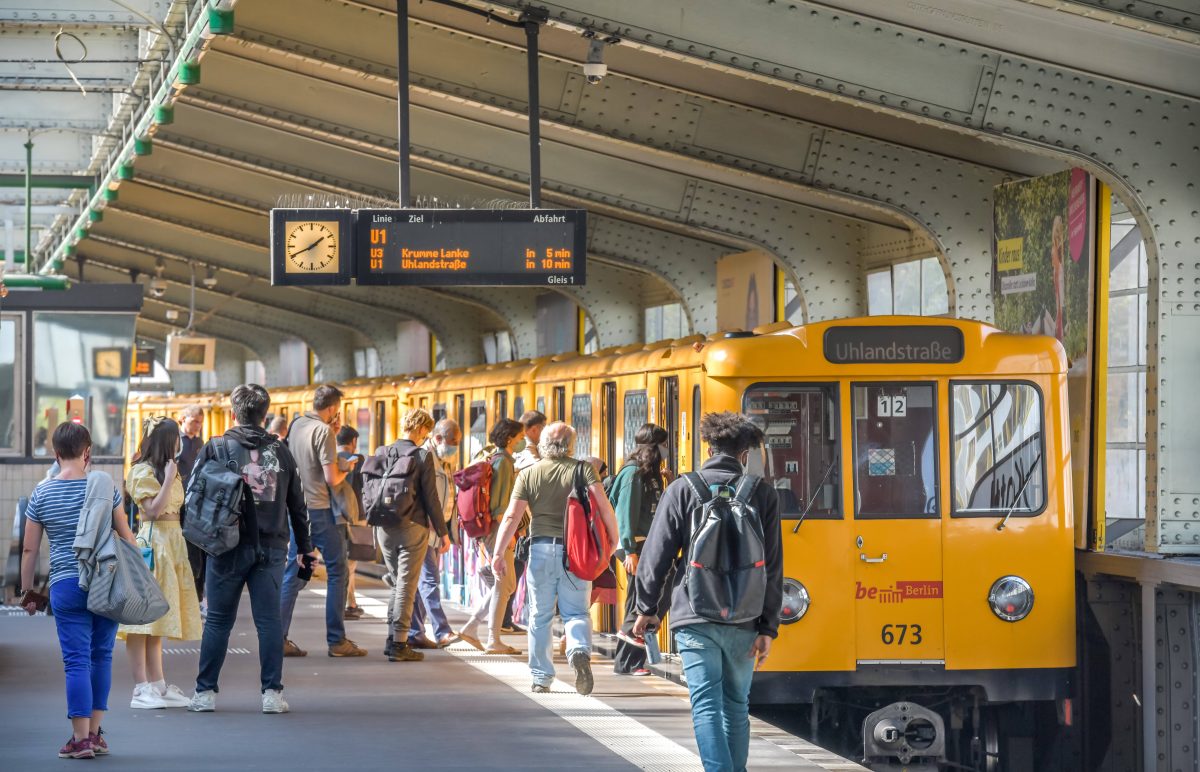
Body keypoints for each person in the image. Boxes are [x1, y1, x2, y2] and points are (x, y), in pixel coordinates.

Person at [633, 412, 783, 772]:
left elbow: (656, 557)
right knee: (736, 706)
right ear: (744, 453)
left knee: (705, 706)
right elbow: (773, 566)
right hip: (745, 618)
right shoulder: (762, 493)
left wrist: (647, 608)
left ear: (708, 446)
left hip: (695, 617)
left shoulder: (683, 489)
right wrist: (768, 627)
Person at [187, 384, 314, 715]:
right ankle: (271, 694)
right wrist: (305, 547)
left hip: (224, 546)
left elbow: (193, 500)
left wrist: (196, 549)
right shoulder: (280, 452)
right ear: (265, 416)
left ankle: (205, 693)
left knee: (217, 620)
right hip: (271, 548)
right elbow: (297, 504)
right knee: (269, 621)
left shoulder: (215, 448)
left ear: (232, 413)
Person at [20, 422, 137, 759]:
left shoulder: (42, 493)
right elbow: (126, 536)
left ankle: (80, 738)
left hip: (67, 585)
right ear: (88, 452)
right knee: (101, 655)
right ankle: (95, 734)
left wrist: (28, 593)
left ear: (55, 454)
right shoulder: (107, 487)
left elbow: (29, 551)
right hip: (106, 581)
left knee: (76, 661)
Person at [490, 421, 617, 695]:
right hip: (577, 552)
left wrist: (499, 552)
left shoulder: (529, 474)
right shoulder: (584, 470)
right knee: (577, 612)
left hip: (541, 550)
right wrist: (613, 542)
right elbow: (605, 509)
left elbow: (512, 516)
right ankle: (578, 651)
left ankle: (541, 677)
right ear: (571, 445)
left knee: (540, 615)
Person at [119, 417, 203, 709]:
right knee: (140, 621)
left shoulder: (168, 469)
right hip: (153, 545)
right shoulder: (142, 471)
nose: (179, 443)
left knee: (157, 620)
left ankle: (157, 684)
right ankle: (141, 688)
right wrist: (168, 478)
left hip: (173, 543)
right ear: (167, 441)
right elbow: (152, 511)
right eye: (176, 438)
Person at [279, 385, 365, 658]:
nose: (336, 416)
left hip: (298, 509)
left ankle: (277, 638)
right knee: (338, 571)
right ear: (330, 408)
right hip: (320, 510)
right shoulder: (323, 431)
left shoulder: (297, 425)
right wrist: (348, 465)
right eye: (336, 411)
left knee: (294, 571)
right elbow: (331, 478)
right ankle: (337, 641)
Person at [379, 408, 451, 662]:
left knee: (398, 584)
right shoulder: (422, 455)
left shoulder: (383, 451)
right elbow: (431, 499)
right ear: (421, 429)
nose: (425, 436)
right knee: (407, 587)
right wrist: (443, 533)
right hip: (413, 528)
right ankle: (400, 644)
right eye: (426, 431)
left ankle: (391, 638)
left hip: (384, 528)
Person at [457, 418, 525, 655]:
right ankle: (492, 639)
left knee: (505, 585)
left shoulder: (497, 460)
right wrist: (508, 535)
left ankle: (472, 627)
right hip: (499, 530)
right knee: (503, 585)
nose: (521, 441)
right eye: (519, 437)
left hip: (495, 531)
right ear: (509, 438)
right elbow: (500, 507)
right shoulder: (504, 463)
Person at [609, 424, 670, 676]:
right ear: (655, 447)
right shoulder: (633, 474)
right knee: (638, 602)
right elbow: (625, 514)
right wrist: (630, 551)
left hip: (646, 545)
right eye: (664, 444)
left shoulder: (649, 473)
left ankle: (630, 661)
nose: (667, 449)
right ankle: (628, 662)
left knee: (643, 600)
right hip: (637, 546)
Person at [409, 418, 462, 649]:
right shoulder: (424, 457)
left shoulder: (444, 459)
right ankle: (442, 630)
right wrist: (441, 531)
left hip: (437, 531)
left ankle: (414, 632)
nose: (455, 446)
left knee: (423, 584)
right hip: (424, 530)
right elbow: (425, 497)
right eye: (453, 442)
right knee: (430, 580)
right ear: (438, 438)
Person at [333, 426, 365, 620]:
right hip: (356, 516)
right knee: (350, 563)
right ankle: (347, 603)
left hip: (333, 516)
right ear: (353, 442)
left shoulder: (330, 460)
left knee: (341, 562)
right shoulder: (359, 461)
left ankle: (349, 602)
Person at [177, 406, 207, 603]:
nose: (197, 425)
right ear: (182, 419)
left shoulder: (199, 442)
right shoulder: (175, 441)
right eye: (194, 421)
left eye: (200, 422)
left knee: (196, 549)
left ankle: (196, 596)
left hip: (196, 502)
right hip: (178, 502)